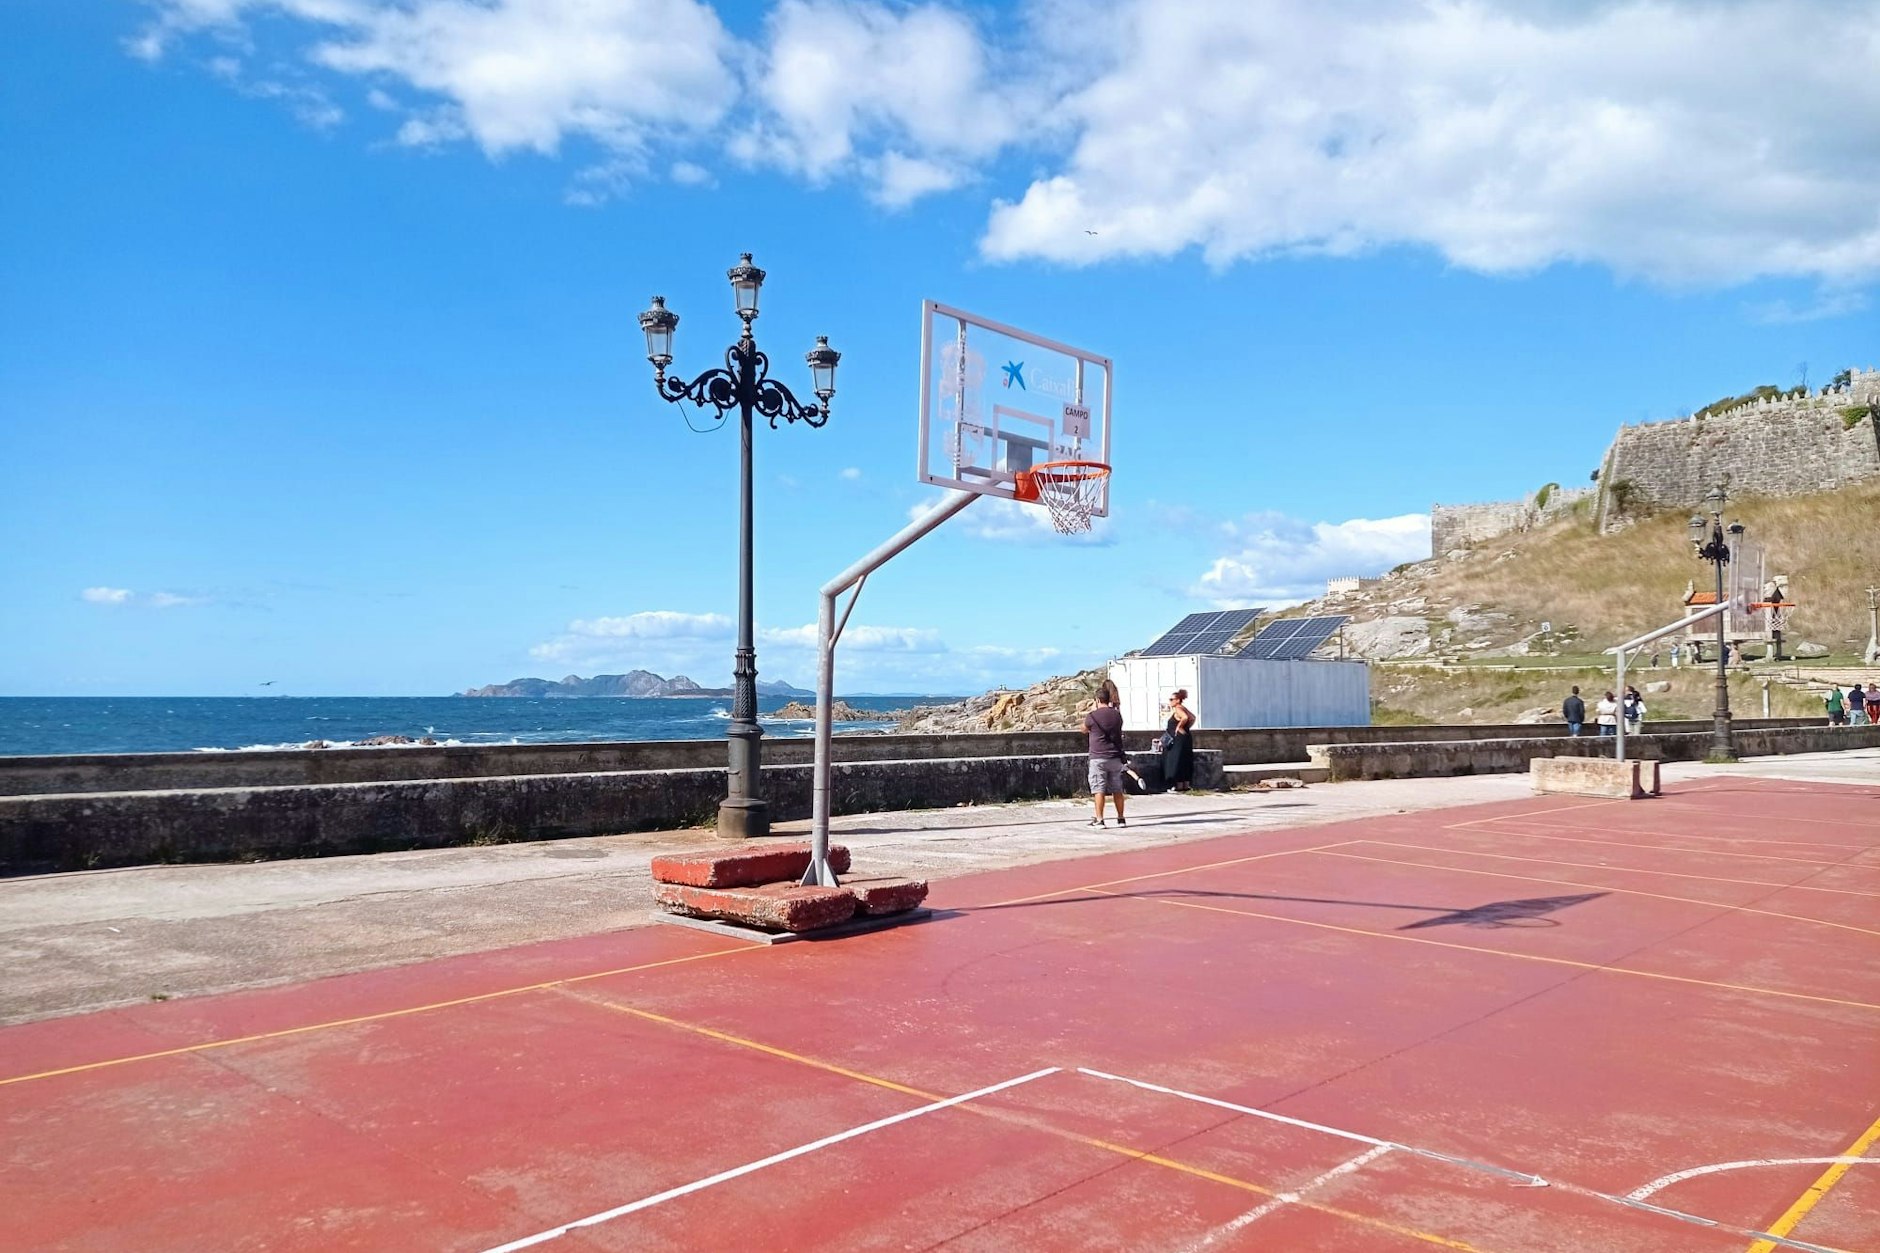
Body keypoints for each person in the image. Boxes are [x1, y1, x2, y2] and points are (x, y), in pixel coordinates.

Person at [1084, 679, 1129, 827]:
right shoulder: (1117, 715)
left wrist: (1092, 710)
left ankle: (1100, 819)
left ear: (1097, 699)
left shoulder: (1092, 716)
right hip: (1115, 757)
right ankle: (1121, 818)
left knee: (1099, 789)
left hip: (1098, 757)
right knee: (1117, 789)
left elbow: (1083, 729)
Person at [1161, 689, 1197, 791]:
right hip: (1185, 738)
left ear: (1177, 700)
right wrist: (1187, 727)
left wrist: (1179, 727)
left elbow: (1185, 717)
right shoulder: (1183, 708)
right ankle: (1184, 785)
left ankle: (1176, 785)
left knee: (1175, 760)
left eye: (1172, 699)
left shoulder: (1178, 709)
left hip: (1178, 740)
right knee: (1184, 760)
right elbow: (1193, 718)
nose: (1170, 701)